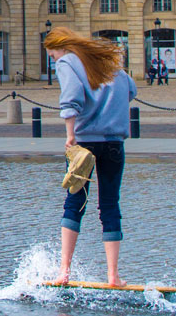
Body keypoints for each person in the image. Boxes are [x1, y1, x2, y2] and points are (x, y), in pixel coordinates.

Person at [46, 27, 136, 288]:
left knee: (75, 202)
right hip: (113, 143)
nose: (54, 61)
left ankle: (64, 272)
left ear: (61, 49)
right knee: (110, 205)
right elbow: (131, 91)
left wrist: (70, 136)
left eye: (52, 56)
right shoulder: (107, 62)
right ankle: (113, 276)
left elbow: (71, 96)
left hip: (84, 143)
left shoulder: (67, 62)